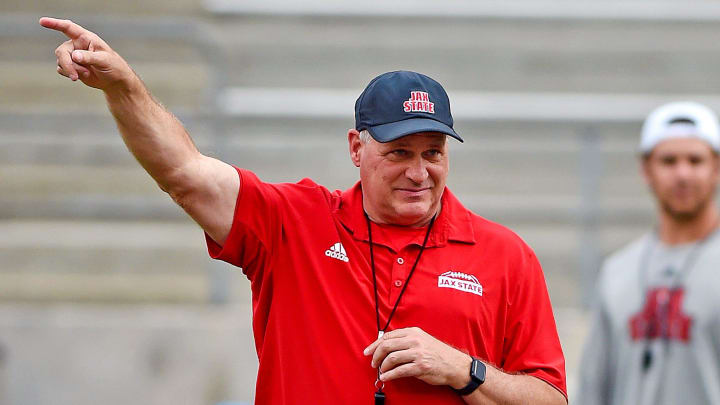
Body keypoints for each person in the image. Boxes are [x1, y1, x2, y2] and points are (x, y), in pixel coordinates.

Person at [40, 17, 567, 405]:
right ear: (357, 149)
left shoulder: (505, 255)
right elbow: (185, 173)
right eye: (398, 153)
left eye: (434, 153)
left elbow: (550, 399)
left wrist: (464, 370)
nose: (418, 171)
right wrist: (124, 88)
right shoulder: (293, 221)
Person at [578, 101, 720, 405]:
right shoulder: (618, 271)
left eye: (695, 161)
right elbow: (593, 386)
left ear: (716, 168)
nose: (683, 174)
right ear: (646, 169)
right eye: (669, 161)